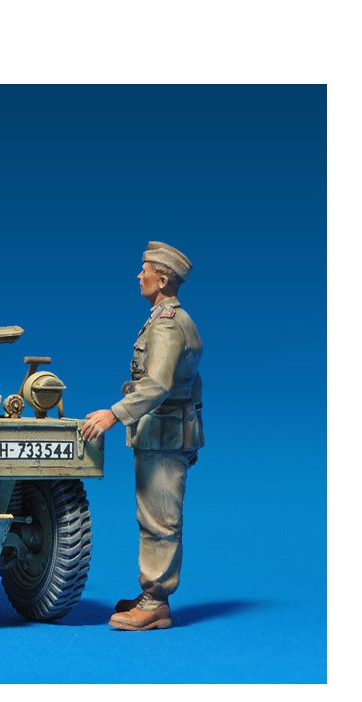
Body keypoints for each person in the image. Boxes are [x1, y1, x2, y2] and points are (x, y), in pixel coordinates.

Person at [81, 242, 204, 631]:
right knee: (154, 514)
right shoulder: (168, 319)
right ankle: (152, 593)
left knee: (160, 519)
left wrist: (114, 414)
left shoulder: (167, 324)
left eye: (145, 270)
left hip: (164, 435)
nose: (140, 275)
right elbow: (193, 384)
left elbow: (158, 384)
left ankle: (156, 602)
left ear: (162, 279)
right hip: (165, 433)